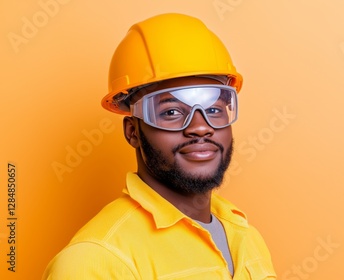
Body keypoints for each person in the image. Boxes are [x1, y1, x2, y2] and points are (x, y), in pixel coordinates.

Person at [43, 13, 276, 279]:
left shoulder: (246, 235)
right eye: (172, 112)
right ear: (133, 132)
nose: (200, 126)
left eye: (213, 108)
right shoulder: (98, 259)